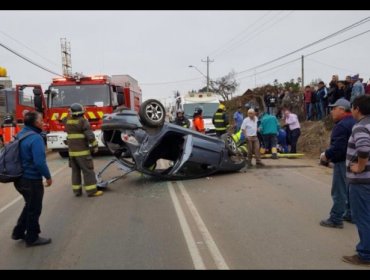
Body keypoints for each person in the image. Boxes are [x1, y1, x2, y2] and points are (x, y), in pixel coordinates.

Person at [12, 111, 52, 247]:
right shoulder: (36, 138)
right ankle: (32, 237)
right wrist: (48, 176)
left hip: (19, 179)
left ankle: (18, 232)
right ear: (35, 123)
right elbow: (39, 162)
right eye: (41, 120)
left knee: (29, 205)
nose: (43, 122)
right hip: (31, 180)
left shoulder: (21, 134)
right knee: (34, 208)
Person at [342, 95, 370, 267]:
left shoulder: (360, 127)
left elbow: (364, 149)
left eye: (352, 107)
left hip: (362, 181)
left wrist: (359, 167)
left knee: (363, 217)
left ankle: (365, 254)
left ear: (357, 109)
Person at [319, 98, 356, 229]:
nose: (331, 112)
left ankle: (336, 218)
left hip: (343, 161)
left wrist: (326, 156)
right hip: (355, 161)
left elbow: (339, 148)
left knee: (339, 190)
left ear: (342, 109)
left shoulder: (341, 125)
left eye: (334, 109)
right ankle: (350, 214)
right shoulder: (356, 122)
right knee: (350, 189)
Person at [64, 103, 103, 197]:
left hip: (72, 153)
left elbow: (65, 118)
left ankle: (77, 192)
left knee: (75, 171)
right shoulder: (83, 121)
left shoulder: (67, 121)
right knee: (88, 171)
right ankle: (92, 191)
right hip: (82, 152)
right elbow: (89, 135)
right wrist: (95, 146)